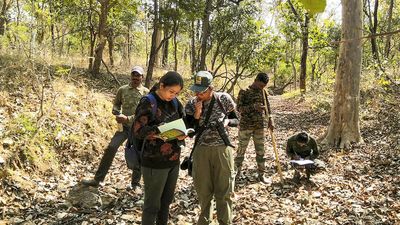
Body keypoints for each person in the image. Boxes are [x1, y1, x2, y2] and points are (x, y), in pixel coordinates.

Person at [82, 66, 149, 190]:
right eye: (133, 75)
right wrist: (116, 111)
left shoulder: (146, 93)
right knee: (111, 148)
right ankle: (98, 179)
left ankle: (135, 184)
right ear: (131, 76)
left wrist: (128, 118)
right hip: (123, 128)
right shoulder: (122, 90)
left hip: (138, 129)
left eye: (138, 75)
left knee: (138, 154)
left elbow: (145, 114)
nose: (135, 78)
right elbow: (117, 104)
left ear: (142, 77)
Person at [185, 71, 239, 225]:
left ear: (211, 88)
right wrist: (196, 114)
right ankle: (204, 222)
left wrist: (228, 122)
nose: (198, 94)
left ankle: (225, 221)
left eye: (201, 91)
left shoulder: (224, 99)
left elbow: (236, 120)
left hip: (222, 148)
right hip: (201, 150)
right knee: (203, 191)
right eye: (196, 90)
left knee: (225, 190)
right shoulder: (191, 104)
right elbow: (188, 131)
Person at [133, 71, 186, 225]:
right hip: (154, 162)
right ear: (161, 85)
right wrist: (158, 130)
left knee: (166, 203)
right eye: (171, 92)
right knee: (152, 205)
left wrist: (183, 134)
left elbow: (183, 123)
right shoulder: (148, 102)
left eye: (176, 93)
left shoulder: (175, 103)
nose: (173, 96)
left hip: (173, 161)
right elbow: (137, 131)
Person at [234, 72, 274, 183]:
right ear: (255, 80)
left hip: (259, 126)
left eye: (264, 86)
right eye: (260, 85)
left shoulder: (263, 92)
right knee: (241, 151)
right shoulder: (244, 91)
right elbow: (239, 108)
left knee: (261, 151)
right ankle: (235, 174)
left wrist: (270, 119)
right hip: (245, 126)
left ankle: (261, 174)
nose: (262, 88)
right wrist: (253, 107)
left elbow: (267, 107)